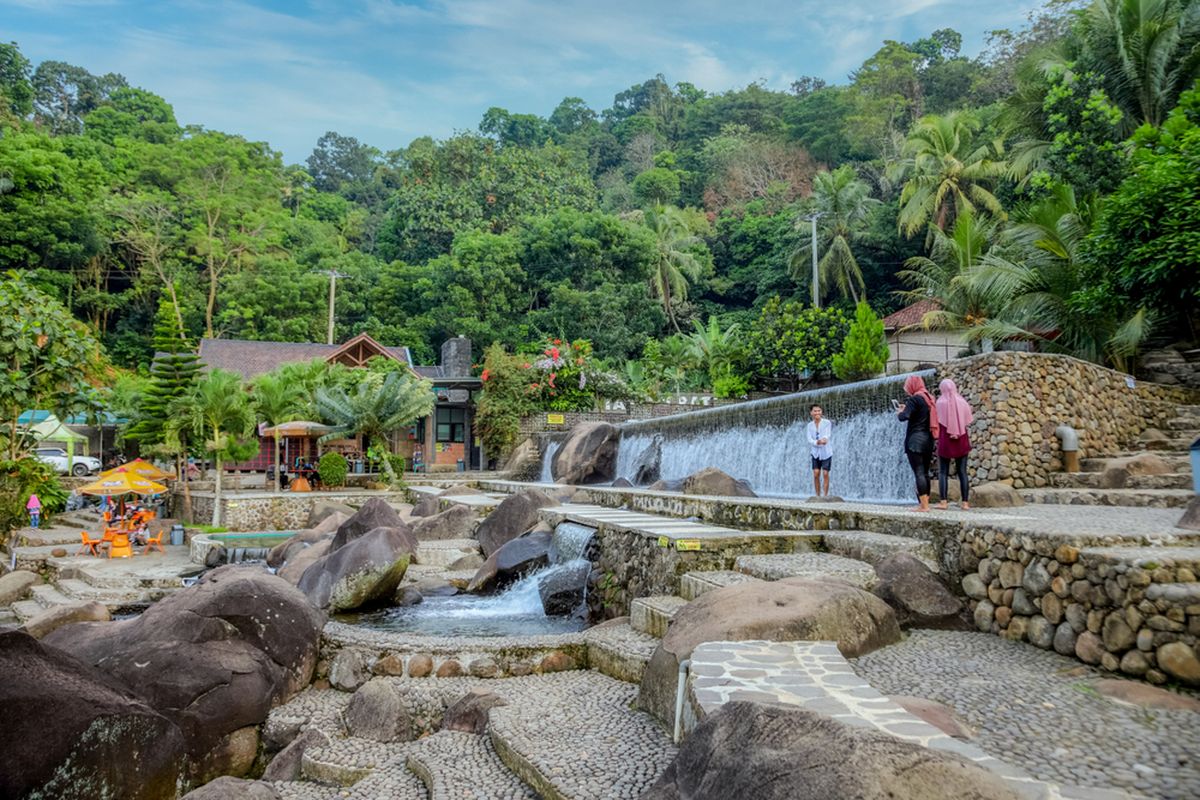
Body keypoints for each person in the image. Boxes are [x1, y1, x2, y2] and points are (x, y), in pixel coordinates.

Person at [897, 375, 939, 512]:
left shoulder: (914, 399)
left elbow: (904, 417)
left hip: (915, 441)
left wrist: (900, 411)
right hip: (928, 440)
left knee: (919, 472)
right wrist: (908, 408)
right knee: (925, 472)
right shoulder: (928, 398)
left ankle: (924, 506)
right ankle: (924, 503)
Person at [935, 378, 974, 510]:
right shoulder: (962, 402)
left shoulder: (939, 403)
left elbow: (937, 421)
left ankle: (943, 502)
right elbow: (968, 420)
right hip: (962, 439)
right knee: (962, 472)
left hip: (945, 440)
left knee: (943, 472)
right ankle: (965, 503)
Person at [806, 404, 832, 497]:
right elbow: (809, 439)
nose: (817, 413)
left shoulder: (827, 422)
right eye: (815, 411)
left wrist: (824, 439)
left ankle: (825, 495)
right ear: (811, 413)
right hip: (815, 452)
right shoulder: (809, 425)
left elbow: (827, 434)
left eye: (819, 411)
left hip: (826, 452)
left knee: (825, 473)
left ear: (821, 412)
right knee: (816, 474)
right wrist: (817, 442)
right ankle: (817, 495)